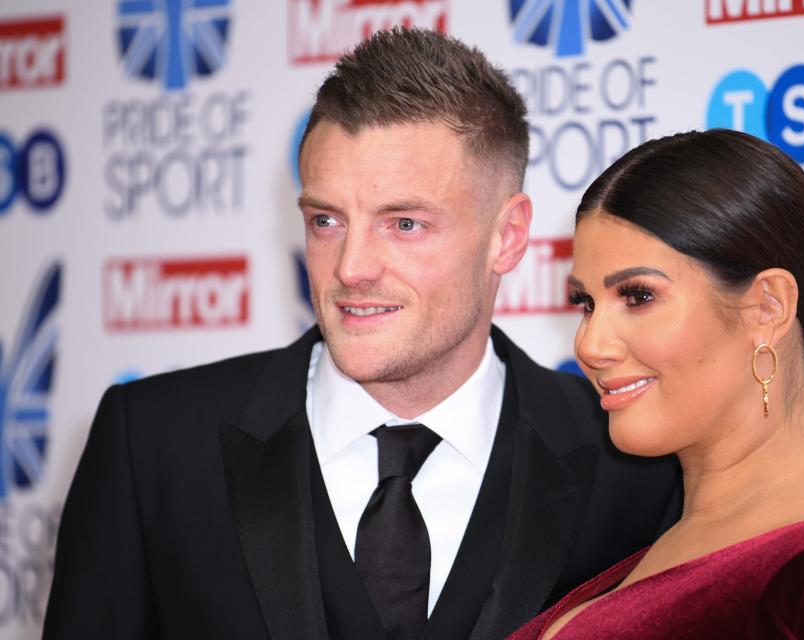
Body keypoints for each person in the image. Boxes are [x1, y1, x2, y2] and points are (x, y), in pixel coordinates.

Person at [42, 29, 680, 640]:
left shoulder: (632, 465)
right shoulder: (153, 445)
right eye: (326, 220)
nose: (350, 268)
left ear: (507, 237)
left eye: (403, 224)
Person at [509, 129, 804, 639]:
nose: (590, 346)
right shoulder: (685, 539)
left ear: (767, 308)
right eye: (586, 304)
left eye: (637, 297)